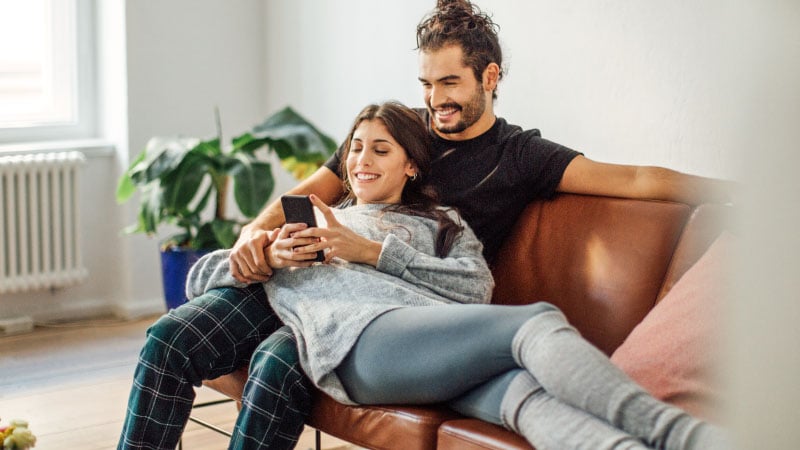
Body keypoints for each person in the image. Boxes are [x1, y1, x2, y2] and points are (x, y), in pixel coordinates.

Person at [117, 1, 733, 448]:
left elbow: (635, 182)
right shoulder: (397, 129)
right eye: (426, 82)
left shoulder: (519, 156)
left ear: (490, 77)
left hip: (401, 311)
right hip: (311, 280)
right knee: (170, 341)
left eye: (450, 83)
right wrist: (253, 237)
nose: (434, 99)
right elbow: (308, 193)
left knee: (282, 368)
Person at [187, 101, 728, 450]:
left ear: (411, 166)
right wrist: (259, 251)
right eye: (355, 150)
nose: (362, 161)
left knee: (525, 397)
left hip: (433, 342)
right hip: (358, 342)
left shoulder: (444, 223)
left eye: (381, 149)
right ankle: (684, 438)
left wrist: (376, 252)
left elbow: (474, 289)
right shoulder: (317, 225)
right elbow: (209, 278)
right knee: (534, 323)